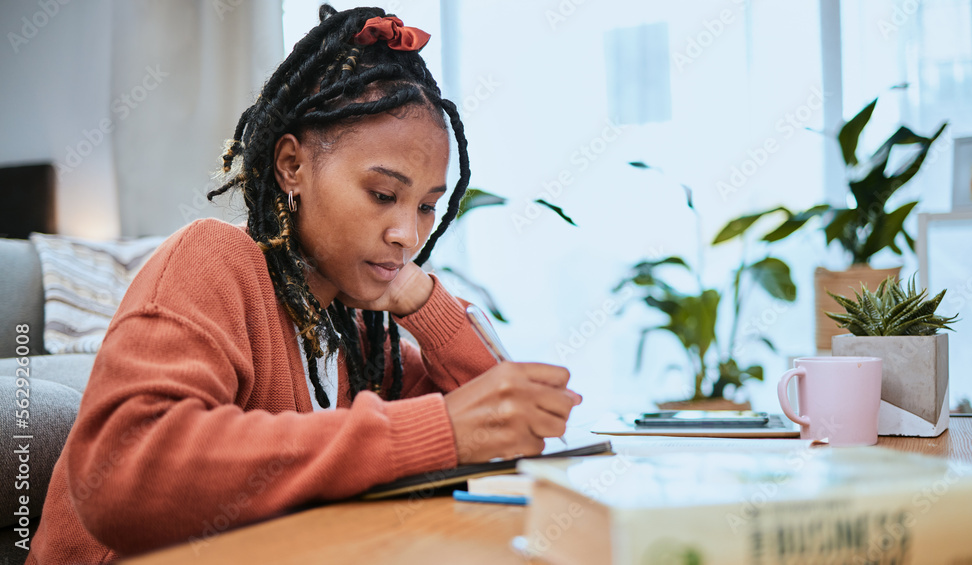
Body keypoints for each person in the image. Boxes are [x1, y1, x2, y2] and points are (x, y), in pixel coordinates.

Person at [26, 6, 581, 563]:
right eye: (384, 195)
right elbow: (122, 476)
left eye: (428, 207)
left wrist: (425, 302)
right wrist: (428, 432)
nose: (407, 234)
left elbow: (505, 425)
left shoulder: (354, 327)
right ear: (291, 165)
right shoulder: (214, 259)